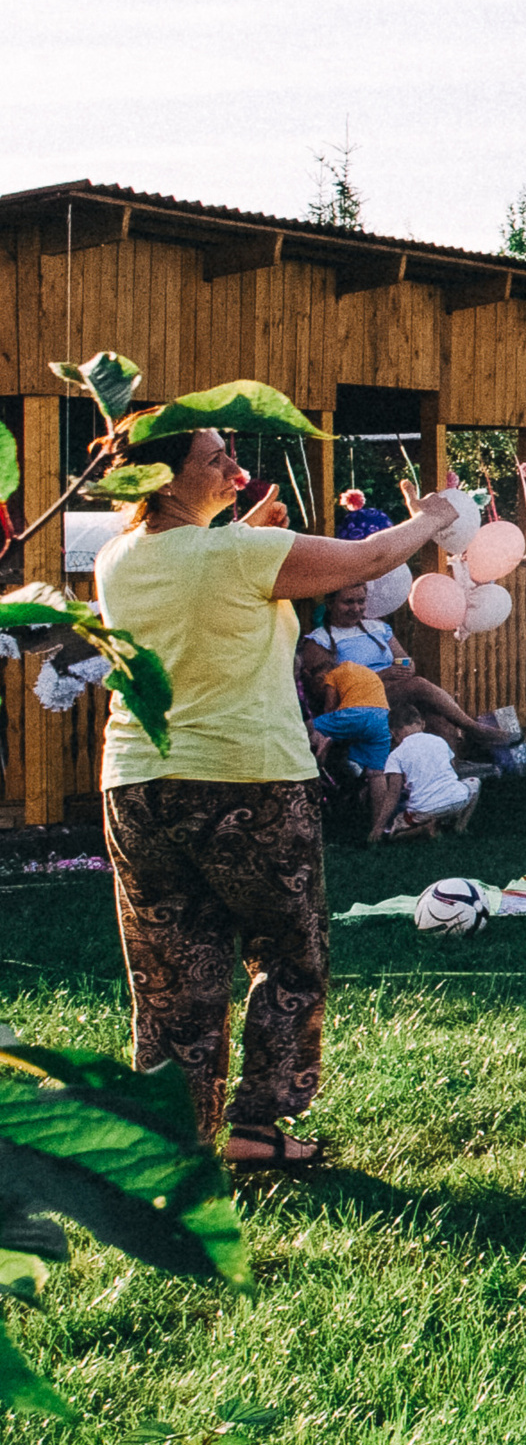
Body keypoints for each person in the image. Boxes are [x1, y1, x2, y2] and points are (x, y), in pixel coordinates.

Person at [94, 424, 458, 1168]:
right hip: (247, 781)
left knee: (171, 974)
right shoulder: (239, 553)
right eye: (216, 459)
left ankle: (176, 1139)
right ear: (163, 479)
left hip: (137, 785)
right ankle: (257, 1130)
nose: (235, 467)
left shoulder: (117, 558)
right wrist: (432, 519)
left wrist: (249, 530)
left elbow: (201, 582)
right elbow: (370, 558)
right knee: (288, 956)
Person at [303, 583, 514, 754]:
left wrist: (406, 667)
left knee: (439, 720)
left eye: (361, 601)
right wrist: (382, 675)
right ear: (330, 603)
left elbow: (403, 659)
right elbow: (326, 689)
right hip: (361, 701)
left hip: (396, 690)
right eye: (348, 602)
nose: (356, 608)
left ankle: (449, 778)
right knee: (419, 685)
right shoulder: (319, 640)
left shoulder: (377, 628)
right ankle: (473, 728)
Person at [295, 641, 394, 828]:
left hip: (355, 713)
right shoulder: (362, 670)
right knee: (376, 773)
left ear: (321, 677)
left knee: (305, 727)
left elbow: (330, 708)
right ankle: (378, 828)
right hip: (381, 716)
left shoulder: (331, 676)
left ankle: (323, 746)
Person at [380, 703, 482, 840]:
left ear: (393, 733)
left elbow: (393, 794)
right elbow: (452, 769)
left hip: (423, 811)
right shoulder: (439, 741)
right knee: (475, 782)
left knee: (394, 833)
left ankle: (424, 829)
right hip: (457, 800)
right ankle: (460, 826)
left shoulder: (396, 755)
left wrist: (378, 826)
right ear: (422, 724)